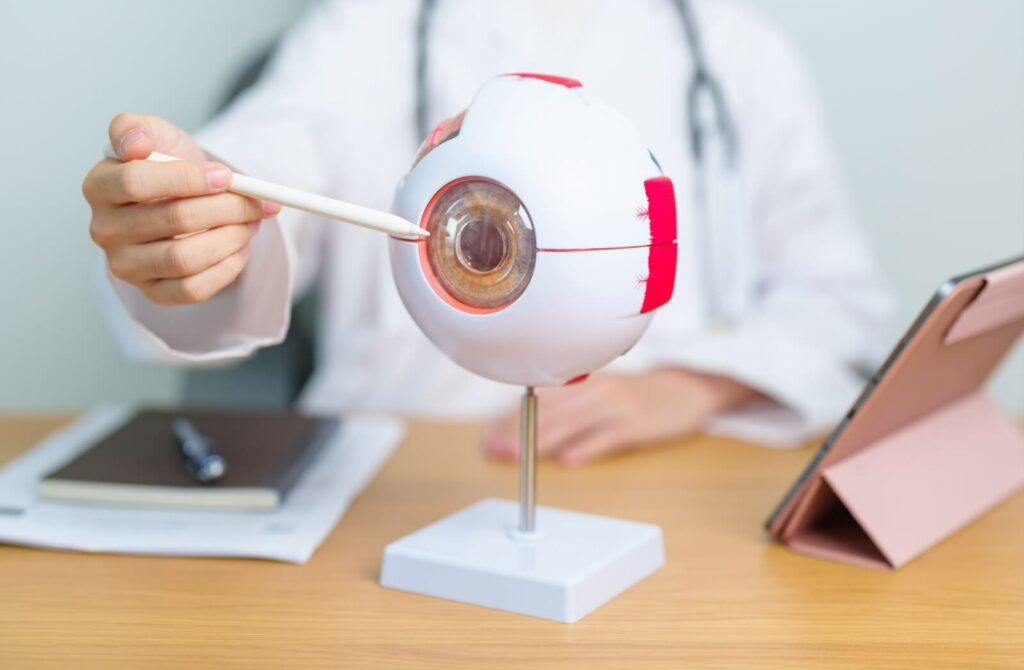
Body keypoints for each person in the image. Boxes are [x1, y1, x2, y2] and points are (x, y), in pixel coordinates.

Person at [82, 0, 892, 466]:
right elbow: (262, 166)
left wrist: (689, 389)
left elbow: (840, 305)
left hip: (668, 475)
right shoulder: (365, 33)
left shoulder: (737, 51)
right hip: (401, 471)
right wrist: (190, 213)